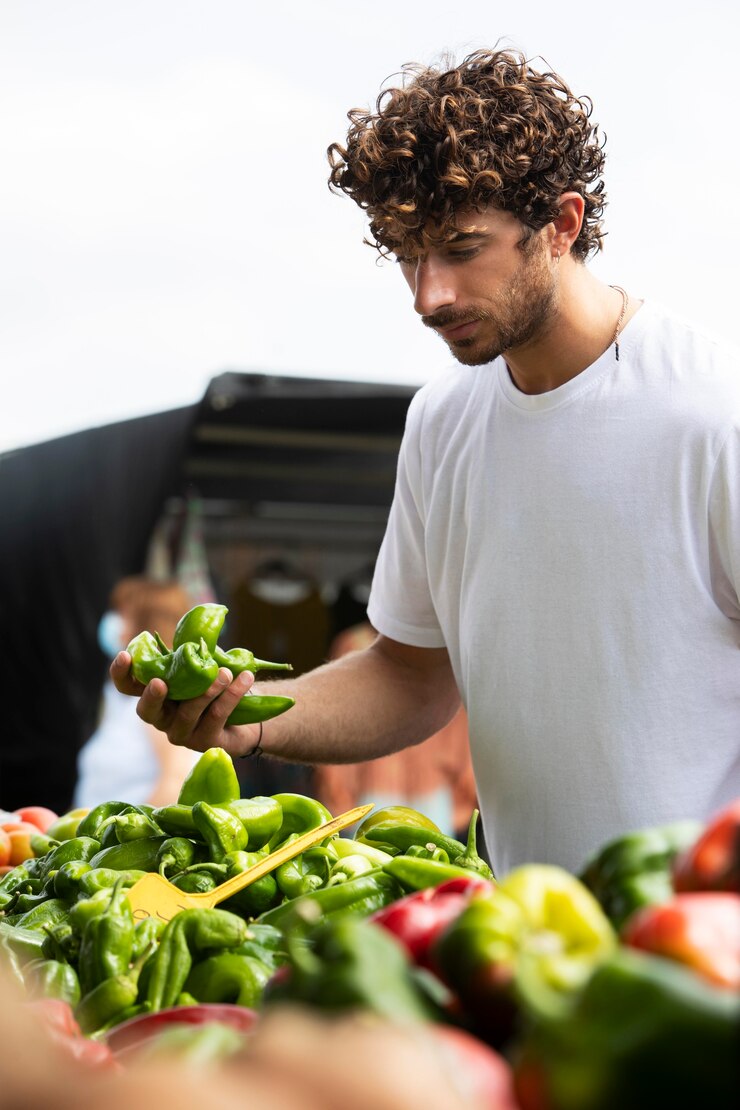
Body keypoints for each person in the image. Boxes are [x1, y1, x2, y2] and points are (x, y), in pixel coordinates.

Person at [112, 48, 740, 877]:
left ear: (562, 224)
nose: (427, 295)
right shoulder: (443, 420)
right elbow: (411, 677)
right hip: (520, 945)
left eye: (460, 248)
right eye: (407, 254)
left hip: (701, 948)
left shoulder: (713, 410)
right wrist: (249, 719)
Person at [76, 577, 199, 808]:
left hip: (127, 842)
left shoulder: (161, 697)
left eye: (121, 613)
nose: (113, 621)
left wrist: (126, 840)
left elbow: (176, 782)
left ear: (146, 624)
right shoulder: (122, 699)